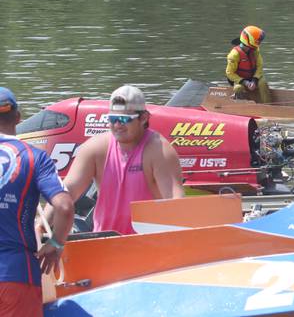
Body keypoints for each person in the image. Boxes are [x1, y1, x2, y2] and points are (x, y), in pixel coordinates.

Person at [45, 85, 184, 235]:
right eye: (112, 119)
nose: (117, 125)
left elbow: (175, 203)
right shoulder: (95, 148)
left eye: (124, 119)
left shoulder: (159, 151)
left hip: (146, 244)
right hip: (105, 242)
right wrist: (41, 226)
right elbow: (67, 191)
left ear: (144, 118)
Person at [0, 87, 73, 316]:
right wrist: (56, 244)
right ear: (18, 118)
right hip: (16, 274)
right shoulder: (35, 157)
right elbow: (64, 206)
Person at [226, 25, 271, 103]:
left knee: (263, 83)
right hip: (240, 80)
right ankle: (244, 106)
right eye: (257, 41)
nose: (259, 42)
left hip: (253, 77)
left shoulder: (255, 50)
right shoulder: (234, 55)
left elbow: (259, 66)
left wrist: (254, 80)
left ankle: (268, 105)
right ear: (248, 40)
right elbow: (229, 73)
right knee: (238, 88)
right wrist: (245, 82)